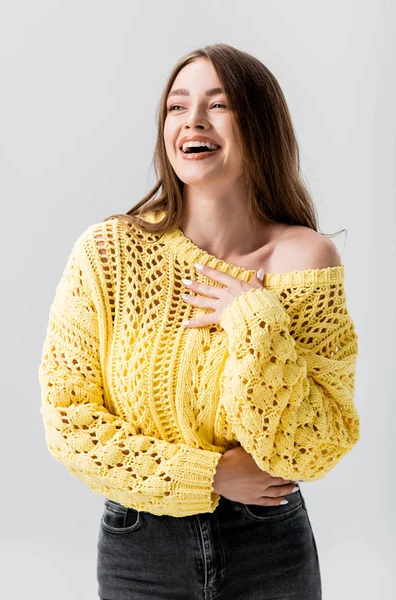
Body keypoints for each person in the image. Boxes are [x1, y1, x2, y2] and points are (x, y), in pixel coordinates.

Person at [38, 43, 361, 600]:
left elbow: (316, 445)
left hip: (268, 543)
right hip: (139, 546)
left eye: (218, 105)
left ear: (259, 125)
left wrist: (251, 317)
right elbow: (68, 421)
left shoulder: (306, 261)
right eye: (176, 106)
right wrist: (208, 475)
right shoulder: (109, 253)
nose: (193, 120)